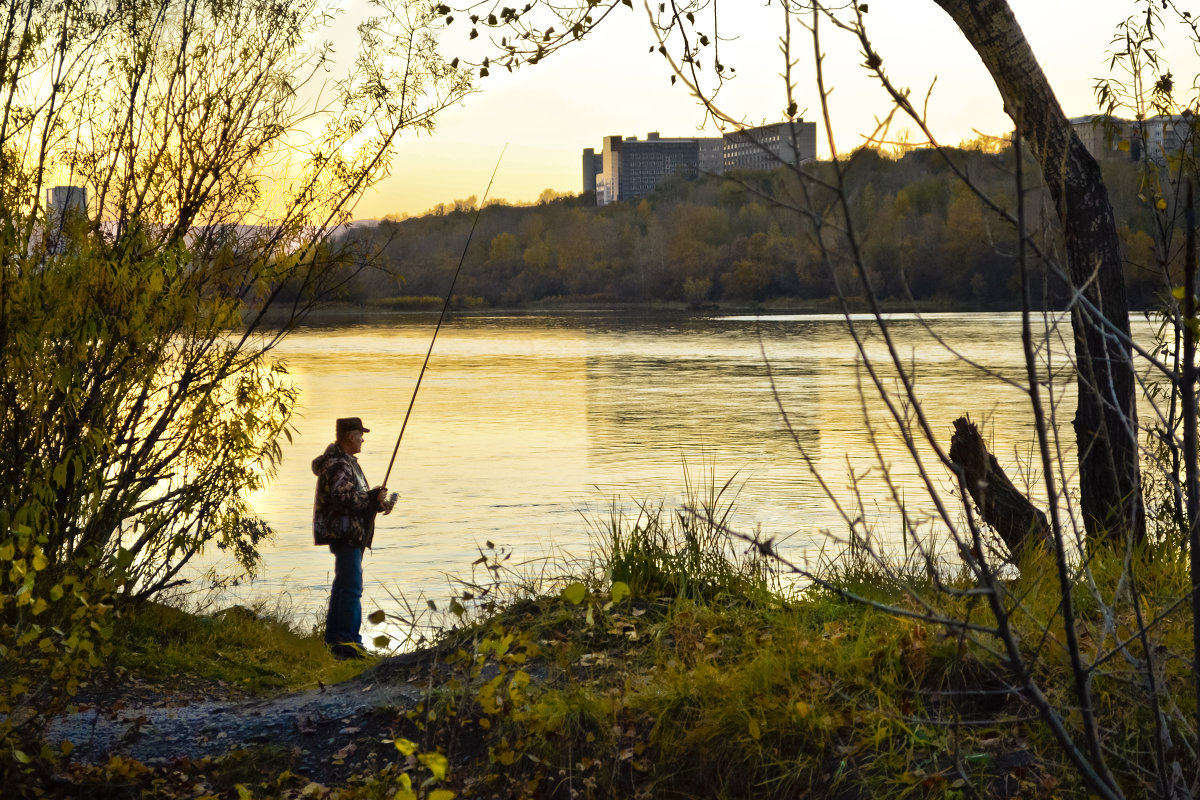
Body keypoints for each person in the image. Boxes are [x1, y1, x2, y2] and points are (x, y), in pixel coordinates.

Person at [312, 416, 395, 659]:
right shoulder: (339, 464)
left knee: (344, 588)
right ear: (350, 436)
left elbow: (356, 497)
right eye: (360, 435)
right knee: (351, 589)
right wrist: (370, 497)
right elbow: (342, 499)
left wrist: (376, 501)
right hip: (345, 534)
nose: (363, 440)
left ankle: (338, 641)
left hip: (352, 534)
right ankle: (347, 644)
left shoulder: (347, 462)